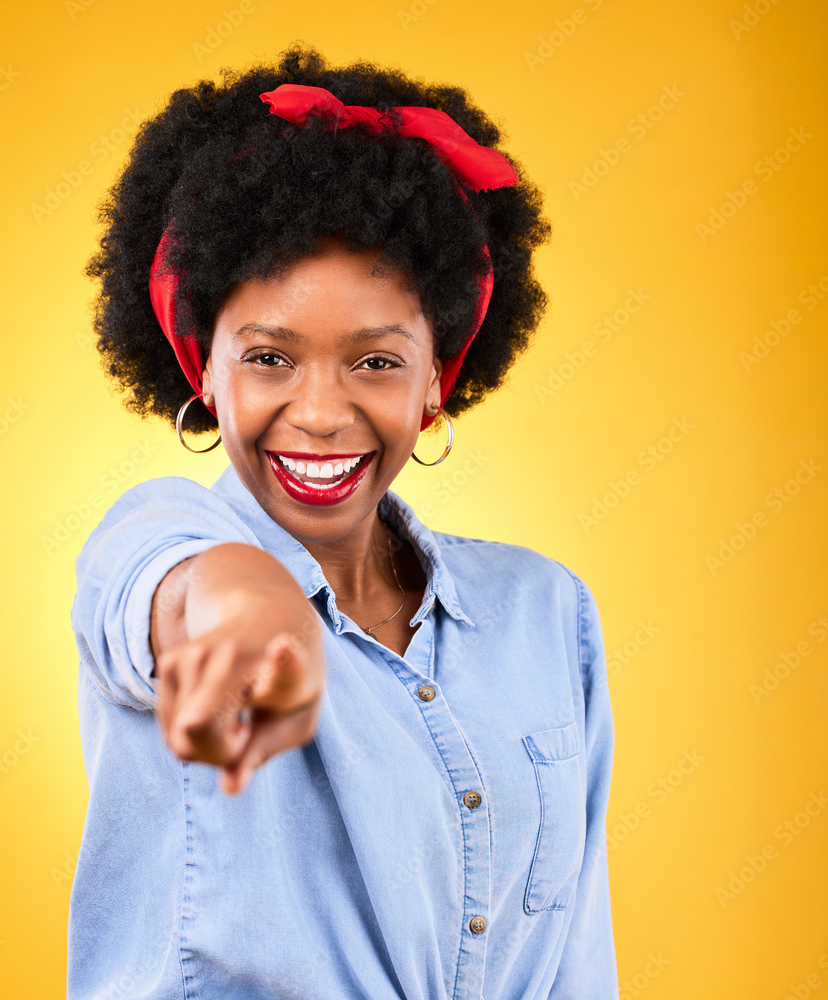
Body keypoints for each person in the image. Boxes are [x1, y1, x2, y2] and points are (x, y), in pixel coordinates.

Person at [68, 43, 617, 1000]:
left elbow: (579, 956)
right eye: (270, 358)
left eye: (374, 362)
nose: (320, 413)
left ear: (439, 376)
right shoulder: (157, 550)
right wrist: (229, 593)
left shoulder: (545, 612)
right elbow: (152, 572)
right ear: (205, 367)